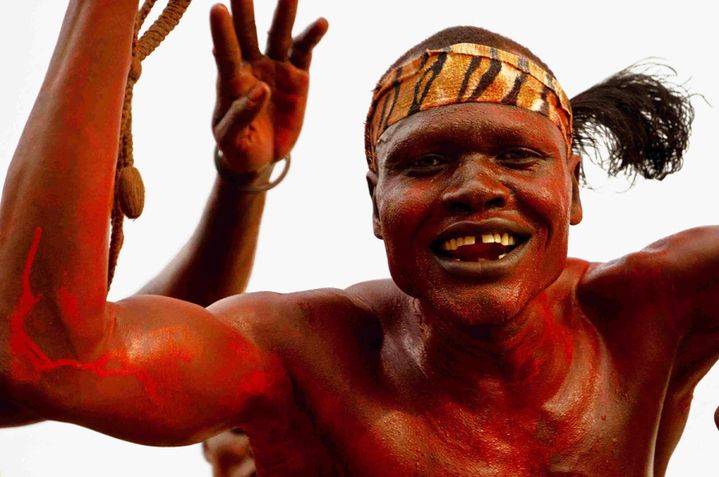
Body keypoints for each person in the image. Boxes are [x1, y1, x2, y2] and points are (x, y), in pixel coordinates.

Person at [0, 0, 714, 476]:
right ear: (376, 206)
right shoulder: (304, 358)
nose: (473, 187)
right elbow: (44, 356)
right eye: (424, 162)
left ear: (574, 189)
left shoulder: (653, 313)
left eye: (516, 154)